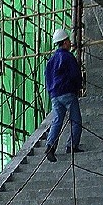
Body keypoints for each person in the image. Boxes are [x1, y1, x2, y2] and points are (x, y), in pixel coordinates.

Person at [43, 28, 84, 162]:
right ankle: (72, 145)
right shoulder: (67, 56)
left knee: (57, 121)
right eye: (68, 41)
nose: (70, 43)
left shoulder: (51, 60)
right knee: (76, 120)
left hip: (55, 95)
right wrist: (78, 87)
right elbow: (75, 74)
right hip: (67, 93)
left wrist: (51, 92)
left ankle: (50, 146)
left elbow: (47, 78)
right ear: (64, 42)